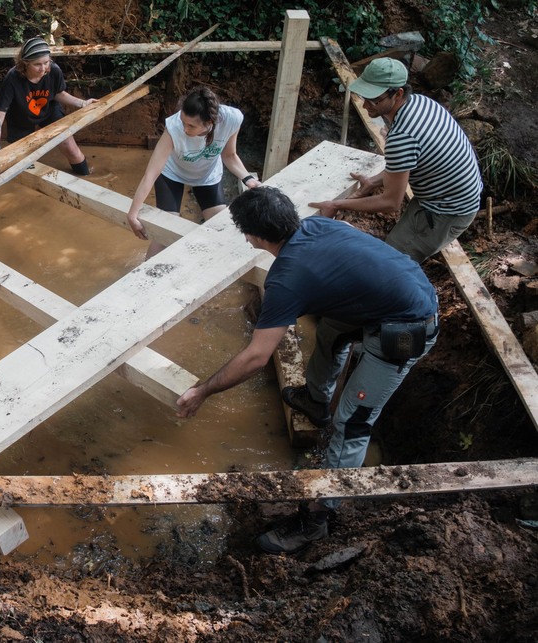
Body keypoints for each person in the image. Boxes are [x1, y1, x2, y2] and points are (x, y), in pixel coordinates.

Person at [176, 186, 438, 555]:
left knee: (352, 423)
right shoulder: (319, 227)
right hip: (401, 297)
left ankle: (317, 518)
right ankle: (316, 401)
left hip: (407, 329)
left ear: (254, 236)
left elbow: (257, 357)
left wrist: (203, 390)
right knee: (330, 330)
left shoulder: (285, 279)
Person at [309, 57, 482, 263]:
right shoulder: (422, 102)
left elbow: (391, 203)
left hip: (447, 211)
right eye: (364, 97)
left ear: (398, 93)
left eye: (374, 100)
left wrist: (337, 204)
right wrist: (373, 182)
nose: (365, 105)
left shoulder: (402, 136)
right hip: (450, 195)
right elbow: (411, 162)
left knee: (388, 264)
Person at [126, 86, 262, 259]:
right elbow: (151, 174)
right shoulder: (174, 128)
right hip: (171, 173)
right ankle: (145, 278)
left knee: (223, 226)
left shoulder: (232, 119)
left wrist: (248, 179)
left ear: (209, 123)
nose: (184, 128)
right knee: (167, 228)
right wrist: (132, 213)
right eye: (183, 121)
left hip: (206, 175)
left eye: (191, 125)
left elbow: (229, 155)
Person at [0, 37, 95, 175]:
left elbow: (58, 93)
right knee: (25, 165)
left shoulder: (53, 70)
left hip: (49, 110)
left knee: (70, 148)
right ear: (25, 63)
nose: (43, 69)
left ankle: (85, 176)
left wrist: (82, 103)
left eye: (46, 62)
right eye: (37, 64)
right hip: (21, 117)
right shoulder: (12, 78)